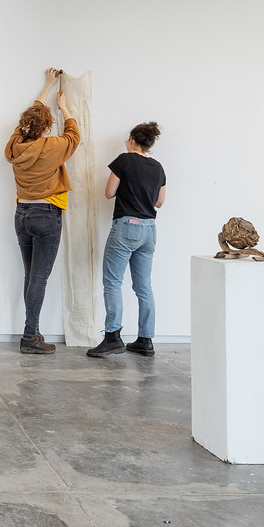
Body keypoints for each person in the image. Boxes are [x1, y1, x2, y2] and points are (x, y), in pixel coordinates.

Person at [4, 68, 80, 354]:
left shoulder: (15, 144)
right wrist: (64, 107)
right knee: (38, 278)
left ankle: (31, 332)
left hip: (22, 215)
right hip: (46, 215)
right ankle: (30, 337)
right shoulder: (53, 146)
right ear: (47, 128)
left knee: (30, 276)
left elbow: (32, 116)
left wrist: (47, 87)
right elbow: (74, 135)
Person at [88, 122, 166, 359]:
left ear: (132, 139)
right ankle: (145, 340)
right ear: (150, 143)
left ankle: (112, 337)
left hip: (126, 227)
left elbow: (109, 192)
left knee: (112, 282)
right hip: (150, 229)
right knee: (144, 286)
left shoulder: (124, 160)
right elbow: (159, 202)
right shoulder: (158, 167)